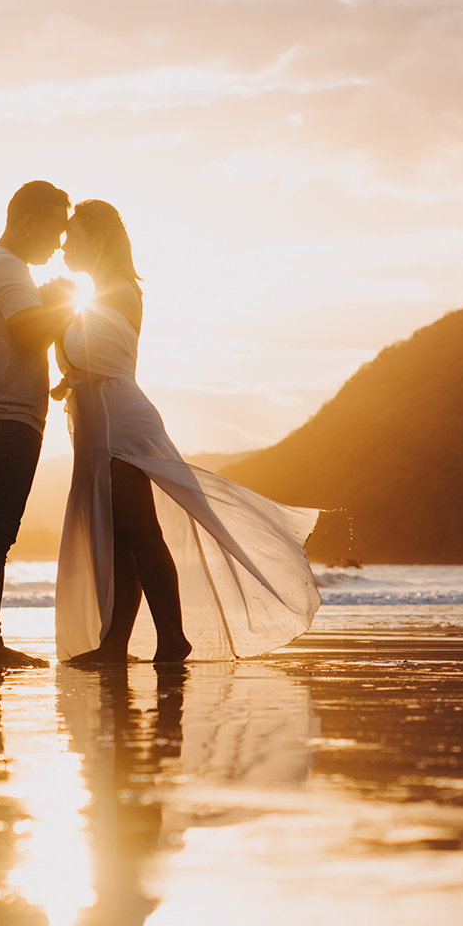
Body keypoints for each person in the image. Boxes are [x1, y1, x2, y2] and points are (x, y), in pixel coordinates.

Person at [49, 199, 323, 664]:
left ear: (95, 239)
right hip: (103, 424)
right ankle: (116, 642)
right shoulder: (102, 294)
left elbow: (83, 351)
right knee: (121, 535)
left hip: (118, 424)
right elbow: (79, 358)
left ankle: (171, 639)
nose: (63, 244)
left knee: (139, 531)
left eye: (72, 234)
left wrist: (57, 312)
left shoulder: (116, 291)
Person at [0, 181, 79, 670]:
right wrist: (64, 303)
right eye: (56, 228)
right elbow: (30, 333)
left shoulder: (4, 267)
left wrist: (48, 297)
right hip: (1, 417)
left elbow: (24, 326)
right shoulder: (7, 267)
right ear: (29, 222)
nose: (60, 241)